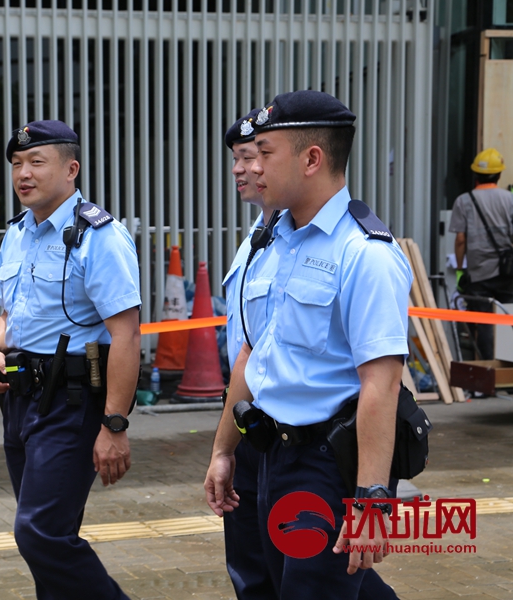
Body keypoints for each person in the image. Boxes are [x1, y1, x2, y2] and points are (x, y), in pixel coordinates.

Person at [204, 90, 412, 599]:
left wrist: (372, 499)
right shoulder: (270, 242)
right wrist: (224, 450)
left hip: (324, 460)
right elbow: (252, 354)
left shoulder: (365, 255)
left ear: (312, 158)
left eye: (265, 152)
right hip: (266, 451)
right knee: (266, 586)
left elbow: (381, 384)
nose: (252, 164)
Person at [0, 120, 142, 600]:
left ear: (71, 170)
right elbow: (12, 312)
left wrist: (114, 424)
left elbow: (126, 335)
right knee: (48, 540)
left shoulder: (101, 237)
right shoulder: (18, 233)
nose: (23, 174)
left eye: (36, 162)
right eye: (16, 164)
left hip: (71, 404)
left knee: (39, 533)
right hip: (19, 402)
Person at [220, 109, 279, 600]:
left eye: (250, 156)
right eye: (237, 159)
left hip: (291, 429)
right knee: (250, 563)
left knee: (307, 567)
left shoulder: (312, 242)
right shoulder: (254, 239)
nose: (241, 169)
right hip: (246, 420)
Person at [449, 148, 513, 360]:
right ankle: (508, 372)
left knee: (484, 322)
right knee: (507, 318)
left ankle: (488, 372)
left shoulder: (464, 201)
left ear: (476, 175)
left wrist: (460, 270)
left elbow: (460, 240)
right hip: (507, 272)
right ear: (499, 174)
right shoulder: (509, 199)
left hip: (479, 274)